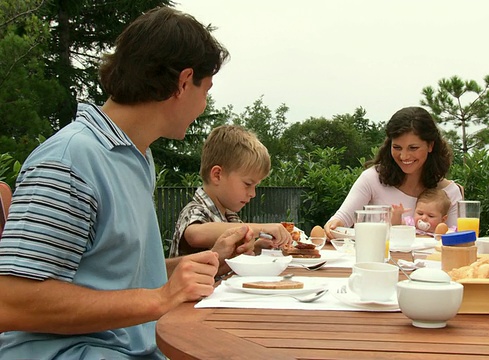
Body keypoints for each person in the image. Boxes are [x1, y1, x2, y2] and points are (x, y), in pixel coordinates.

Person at [0, 7, 246, 359]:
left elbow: (120, 281)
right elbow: (9, 302)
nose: (203, 106)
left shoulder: (136, 157)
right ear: (182, 82)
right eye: (204, 90)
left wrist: (206, 263)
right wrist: (162, 298)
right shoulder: (69, 161)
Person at [324, 106, 462, 239]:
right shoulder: (372, 179)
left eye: (413, 148)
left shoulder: (449, 192)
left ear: (430, 146)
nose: (404, 156)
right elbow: (342, 219)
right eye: (397, 147)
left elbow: (459, 242)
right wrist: (333, 227)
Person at [169, 124, 293, 267]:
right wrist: (261, 229)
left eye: (255, 186)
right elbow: (196, 235)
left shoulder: (230, 216)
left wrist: (258, 246)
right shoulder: (195, 210)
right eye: (247, 184)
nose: (253, 194)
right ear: (217, 175)